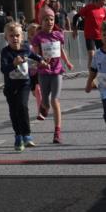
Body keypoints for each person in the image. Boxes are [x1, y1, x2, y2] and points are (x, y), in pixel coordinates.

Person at [31, 8, 74, 143]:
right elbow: (35, 55)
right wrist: (41, 62)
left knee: (55, 100)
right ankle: (43, 106)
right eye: (46, 19)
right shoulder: (38, 37)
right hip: (43, 72)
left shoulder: (58, 35)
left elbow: (61, 50)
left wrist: (67, 62)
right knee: (45, 102)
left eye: (51, 19)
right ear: (41, 21)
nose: (49, 22)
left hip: (57, 71)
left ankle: (57, 132)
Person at [0, 22, 44, 151]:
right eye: (11, 36)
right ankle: (18, 136)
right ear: (6, 38)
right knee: (14, 111)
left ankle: (27, 135)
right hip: (10, 86)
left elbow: (34, 55)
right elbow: (3, 69)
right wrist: (13, 64)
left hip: (24, 84)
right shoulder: (5, 52)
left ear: (22, 36)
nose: (15, 38)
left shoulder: (25, 48)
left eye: (17, 35)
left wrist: (42, 60)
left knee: (23, 106)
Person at [77, 0, 106, 67]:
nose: (105, 3)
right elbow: (76, 16)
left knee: (104, 54)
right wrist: (74, 29)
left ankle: (101, 70)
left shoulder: (104, 10)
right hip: (90, 36)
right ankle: (91, 73)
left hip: (100, 36)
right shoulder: (88, 7)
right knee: (91, 55)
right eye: (104, 1)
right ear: (99, 0)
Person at [26, 22, 45, 120]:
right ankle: (43, 103)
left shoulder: (41, 44)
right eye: (32, 34)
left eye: (36, 33)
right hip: (30, 72)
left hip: (40, 71)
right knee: (34, 92)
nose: (34, 36)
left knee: (38, 90)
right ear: (28, 35)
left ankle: (40, 112)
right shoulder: (26, 46)